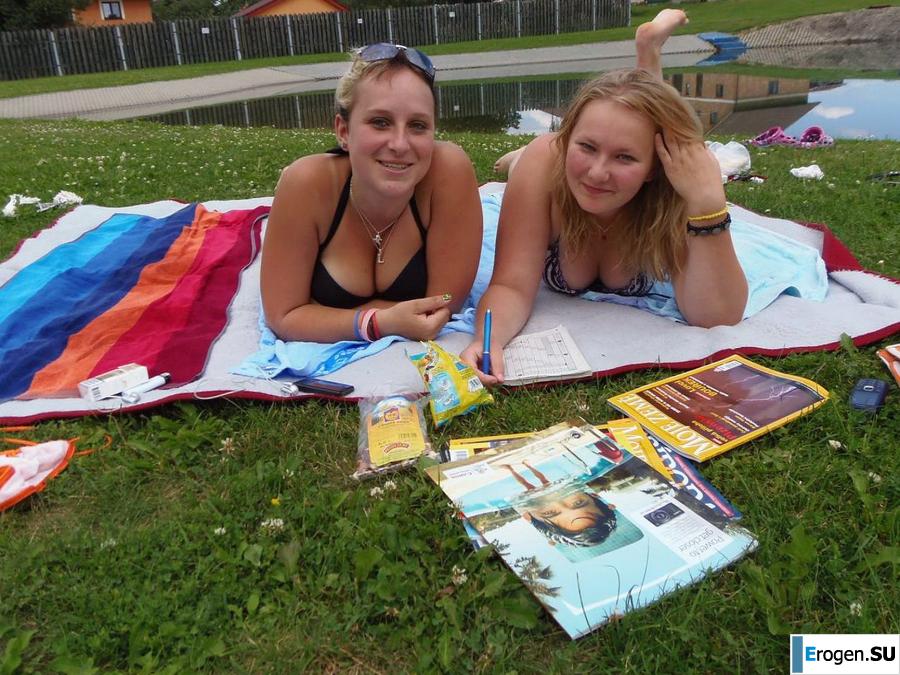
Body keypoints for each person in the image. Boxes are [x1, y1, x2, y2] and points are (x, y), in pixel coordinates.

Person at [462, 9, 749, 384]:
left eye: (625, 157)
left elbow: (717, 315)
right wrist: (490, 341)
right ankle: (521, 159)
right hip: (546, 167)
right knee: (536, 161)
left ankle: (649, 53)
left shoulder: (675, 185)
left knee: (648, 121)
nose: (598, 172)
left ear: (653, 169)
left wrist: (708, 207)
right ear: (567, 140)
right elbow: (512, 284)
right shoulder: (548, 161)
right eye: (586, 146)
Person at [261, 44, 482, 343]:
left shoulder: (448, 173)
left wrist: (324, 317)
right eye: (380, 122)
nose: (400, 144)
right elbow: (283, 315)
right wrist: (379, 322)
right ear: (343, 131)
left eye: (418, 125)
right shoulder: (306, 185)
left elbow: (442, 306)